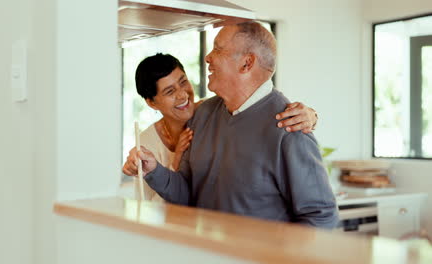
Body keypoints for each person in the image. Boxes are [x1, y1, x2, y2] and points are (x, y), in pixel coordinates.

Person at [124, 22, 338, 228]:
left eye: (218, 49)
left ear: (246, 63)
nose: (207, 57)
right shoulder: (203, 114)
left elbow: (320, 217)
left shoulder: (290, 127)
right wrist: (153, 169)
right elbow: (188, 193)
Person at [132, 53, 318, 201]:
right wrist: (174, 164)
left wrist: (311, 115)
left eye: (183, 82)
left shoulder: (214, 112)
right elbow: (147, 209)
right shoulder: (147, 142)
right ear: (152, 103)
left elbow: (261, 104)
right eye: (170, 91)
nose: (183, 95)